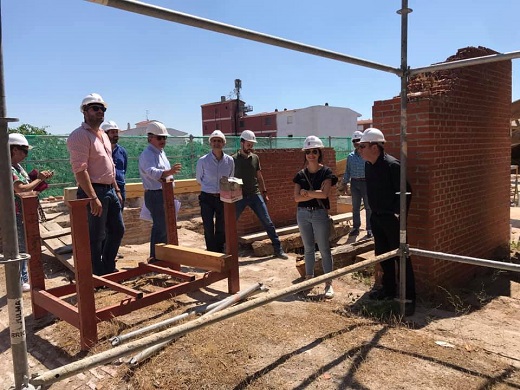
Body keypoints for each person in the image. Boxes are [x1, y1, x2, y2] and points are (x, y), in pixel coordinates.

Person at [357, 127, 416, 315]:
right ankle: (389, 290)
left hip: (392, 219)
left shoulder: (393, 166)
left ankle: (409, 298)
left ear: (375, 147)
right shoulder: (368, 165)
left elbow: (406, 193)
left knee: (402, 257)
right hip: (377, 217)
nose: (360, 149)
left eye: (363, 146)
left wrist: (398, 215)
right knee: (384, 256)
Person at [67, 93, 125, 276]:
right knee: (96, 236)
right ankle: (96, 274)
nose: (100, 111)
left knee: (117, 230)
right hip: (93, 191)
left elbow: (110, 165)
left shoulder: (103, 136)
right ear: (85, 112)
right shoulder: (79, 136)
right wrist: (92, 197)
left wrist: (116, 189)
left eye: (102, 109)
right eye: (95, 108)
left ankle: (107, 267)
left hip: (109, 190)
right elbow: (80, 170)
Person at [233, 130, 289, 260]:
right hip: (239, 196)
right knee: (230, 223)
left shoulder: (255, 158)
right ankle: (225, 249)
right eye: (248, 143)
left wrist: (265, 192)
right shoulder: (233, 159)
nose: (251, 146)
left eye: (252, 144)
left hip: (255, 194)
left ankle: (278, 250)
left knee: (267, 222)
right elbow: (229, 178)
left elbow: (259, 176)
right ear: (242, 142)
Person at [293, 135, 337, 298]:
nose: (311, 154)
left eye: (314, 151)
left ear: (319, 153)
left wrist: (307, 193)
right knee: (308, 249)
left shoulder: (326, 172)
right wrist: (314, 194)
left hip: (319, 214)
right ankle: (309, 280)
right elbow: (297, 198)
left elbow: (325, 194)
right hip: (303, 214)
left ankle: (328, 283)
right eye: (308, 152)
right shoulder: (300, 174)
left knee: (324, 249)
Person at [10, 133, 54, 291]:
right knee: (20, 245)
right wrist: (40, 179)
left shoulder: (17, 167)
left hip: (22, 210)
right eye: (25, 151)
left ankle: (22, 278)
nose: (25, 155)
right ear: (15, 150)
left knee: (23, 244)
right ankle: (20, 280)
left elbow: (26, 183)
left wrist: (36, 180)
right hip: (14, 212)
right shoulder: (7, 167)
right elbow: (20, 188)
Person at [138, 120, 182, 261]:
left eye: (164, 138)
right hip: (155, 195)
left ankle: (163, 256)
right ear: (150, 138)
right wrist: (168, 172)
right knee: (160, 227)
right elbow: (151, 171)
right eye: (159, 137)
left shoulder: (160, 152)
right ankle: (155, 257)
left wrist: (168, 175)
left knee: (165, 226)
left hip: (164, 194)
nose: (163, 140)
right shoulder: (147, 154)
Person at [196, 130, 234, 253]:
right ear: (210, 143)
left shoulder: (230, 161)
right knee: (208, 226)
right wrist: (210, 188)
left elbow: (231, 178)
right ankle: (211, 252)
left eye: (219, 141)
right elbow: (199, 179)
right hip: (207, 197)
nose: (216, 143)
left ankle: (219, 251)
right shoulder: (203, 161)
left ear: (224, 143)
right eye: (214, 141)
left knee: (221, 226)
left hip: (222, 197)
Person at [343, 130, 372, 238]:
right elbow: (347, 170)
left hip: (366, 182)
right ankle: (356, 227)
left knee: (368, 207)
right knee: (355, 207)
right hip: (354, 183)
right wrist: (345, 183)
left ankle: (369, 229)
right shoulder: (350, 156)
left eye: (358, 140)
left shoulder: (367, 155)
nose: (356, 142)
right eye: (354, 141)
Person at [102, 120, 128, 208]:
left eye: (116, 132)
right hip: (106, 188)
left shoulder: (122, 151)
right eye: (113, 132)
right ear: (105, 134)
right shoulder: (100, 151)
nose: (116, 135)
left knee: (118, 217)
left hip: (120, 187)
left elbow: (124, 168)